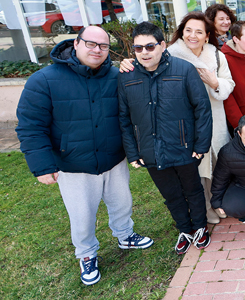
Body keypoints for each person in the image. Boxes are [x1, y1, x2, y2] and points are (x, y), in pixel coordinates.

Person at [16, 26, 153, 286]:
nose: (97, 50)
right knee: (82, 215)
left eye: (103, 46)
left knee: (122, 202)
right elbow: (31, 125)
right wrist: (42, 165)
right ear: (76, 44)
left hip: (113, 158)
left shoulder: (116, 76)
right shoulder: (44, 80)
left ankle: (125, 234)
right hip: (73, 164)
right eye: (91, 44)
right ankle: (87, 254)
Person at [118, 22, 213, 256]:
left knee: (192, 190)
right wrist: (133, 152)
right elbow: (123, 118)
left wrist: (200, 145)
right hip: (150, 151)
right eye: (138, 48)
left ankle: (200, 227)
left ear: (162, 45)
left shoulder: (184, 70)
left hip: (184, 147)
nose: (144, 53)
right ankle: (184, 229)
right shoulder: (126, 77)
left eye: (149, 46)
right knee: (171, 194)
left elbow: (202, 108)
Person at [165, 12, 236, 225]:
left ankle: (219, 201)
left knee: (218, 162)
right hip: (185, 120)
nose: (192, 36)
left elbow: (228, 83)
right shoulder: (170, 56)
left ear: (207, 36)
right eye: (188, 30)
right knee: (197, 167)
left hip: (214, 116)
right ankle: (205, 209)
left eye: (199, 32)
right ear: (181, 32)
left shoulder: (216, 55)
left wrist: (215, 83)